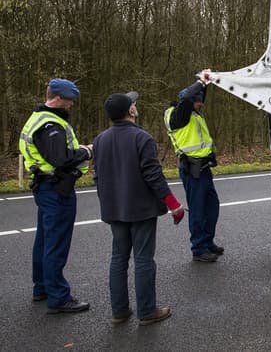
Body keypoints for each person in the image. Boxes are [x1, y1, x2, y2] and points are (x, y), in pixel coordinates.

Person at [93, 92, 186, 326]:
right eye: (133, 104)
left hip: (114, 208)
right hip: (141, 208)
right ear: (131, 111)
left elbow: (98, 177)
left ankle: (120, 311)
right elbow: (153, 175)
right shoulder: (142, 138)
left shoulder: (99, 140)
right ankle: (147, 311)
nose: (135, 106)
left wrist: (106, 201)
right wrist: (173, 204)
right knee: (143, 259)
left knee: (118, 258)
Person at [18, 78, 93, 314]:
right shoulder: (50, 125)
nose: (72, 104)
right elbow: (61, 159)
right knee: (56, 244)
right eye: (70, 100)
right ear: (58, 99)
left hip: (45, 186)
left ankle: (42, 287)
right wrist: (86, 151)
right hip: (56, 189)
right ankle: (59, 297)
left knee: (44, 240)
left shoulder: (38, 118)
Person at [164, 69, 223, 262]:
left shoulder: (193, 113)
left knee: (212, 206)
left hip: (204, 168)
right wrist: (200, 81)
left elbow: (195, 96)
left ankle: (207, 241)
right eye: (199, 101)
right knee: (197, 210)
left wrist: (207, 84)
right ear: (190, 102)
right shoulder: (179, 115)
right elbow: (189, 97)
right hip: (192, 169)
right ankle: (198, 248)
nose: (202, 104)